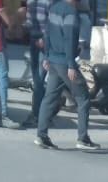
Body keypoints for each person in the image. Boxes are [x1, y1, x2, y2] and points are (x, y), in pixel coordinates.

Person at [35, 0, 100, 150]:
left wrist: (46, 57)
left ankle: (41, 135)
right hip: (65, 63)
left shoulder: (54, 9)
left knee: (49, 98)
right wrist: (71, 65)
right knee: (83, 98)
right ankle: (83, 138)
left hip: (54, 62)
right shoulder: (71, 13)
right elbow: (69, 39)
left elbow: (47, 34)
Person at [25, 0, 51, 126]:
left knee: (39, 81)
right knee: (37, 80)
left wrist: (43, 39)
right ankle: (43, 114)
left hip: (44, 43)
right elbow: (29, 21)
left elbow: (52, 24)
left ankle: (37, 114)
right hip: (34, 41)